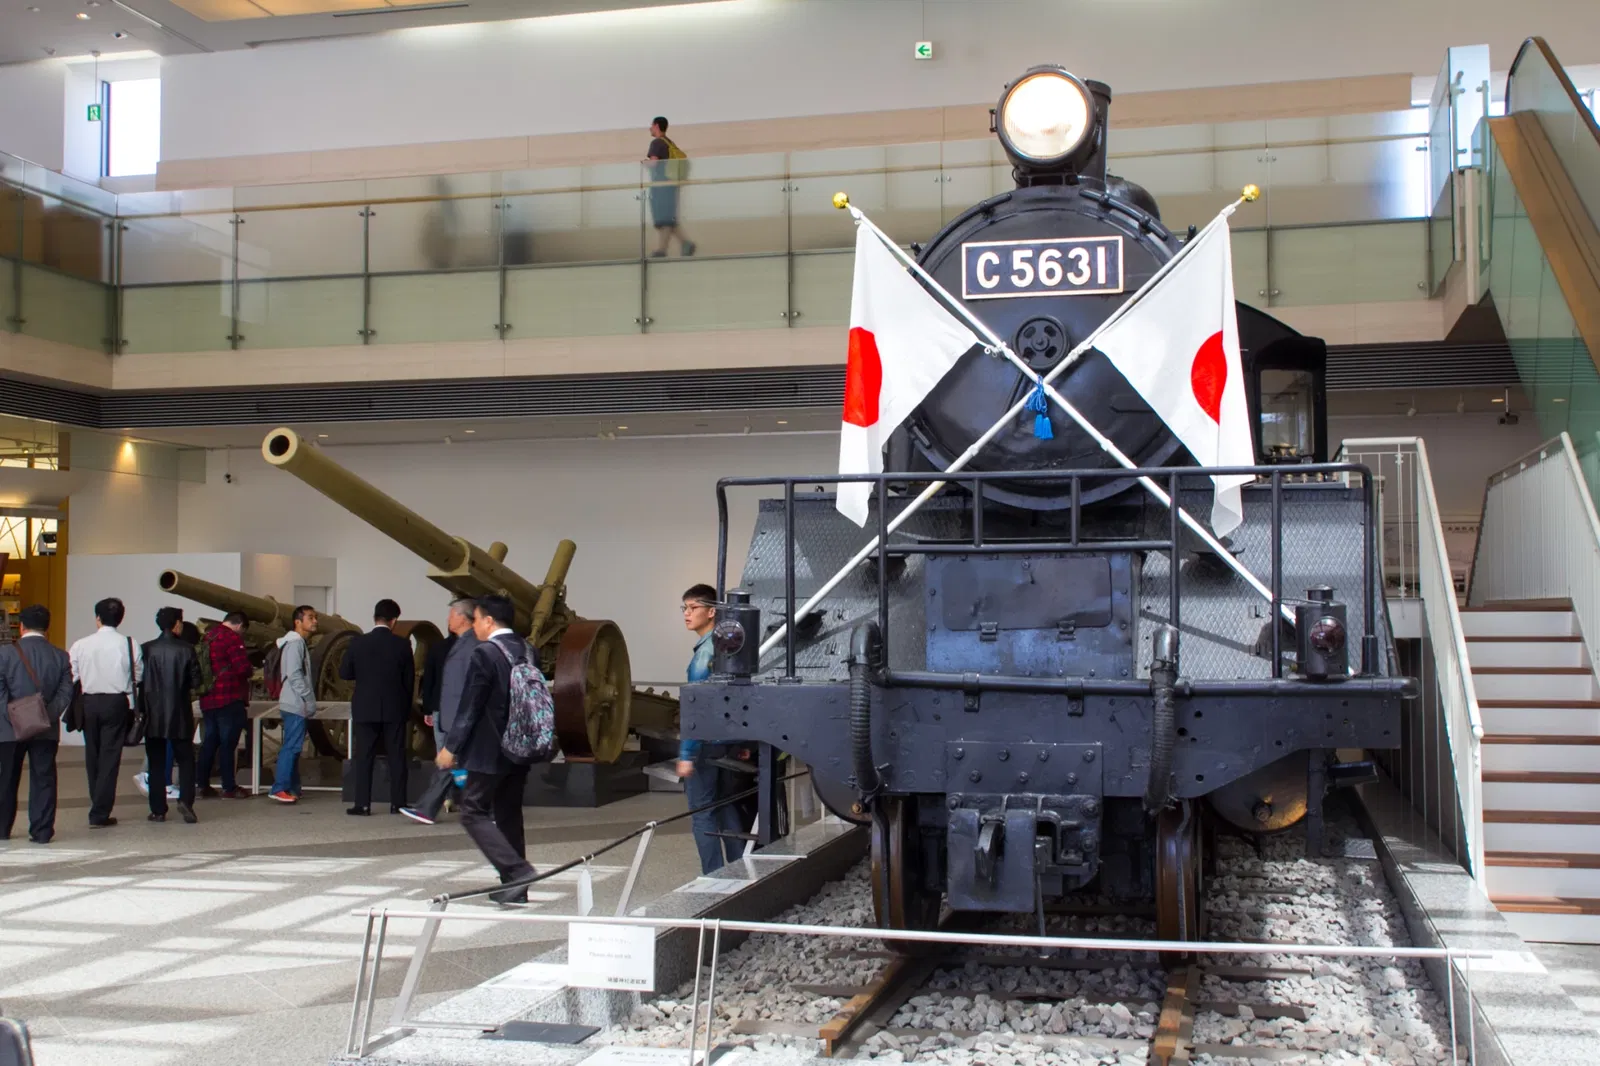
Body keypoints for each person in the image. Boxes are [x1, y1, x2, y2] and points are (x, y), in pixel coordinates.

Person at [437, 595, 534, 905]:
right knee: (508, 813)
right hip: (520, 745)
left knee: (473, 811)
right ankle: (515, 887)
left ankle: (518, 872)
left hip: (488, 748)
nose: (474, 625)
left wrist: (452, 747)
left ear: (489, 621)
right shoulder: (527, 649)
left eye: (477, 619)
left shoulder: (485, 653)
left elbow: (471, 705)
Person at [676, 584, 744, 874]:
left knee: (702, 813)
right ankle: (741, 869)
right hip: (726, 742)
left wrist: (686, 754)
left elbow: (698, 708)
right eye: (684, 609)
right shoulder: (727, 646)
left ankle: (714, 875)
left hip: (704, 745)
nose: (687, 614)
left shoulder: (704, 655)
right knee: (726, 806)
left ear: (712, 611)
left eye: (693, 608)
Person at [0, 605, 74, 844]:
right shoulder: (60, 656)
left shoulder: (5, 654)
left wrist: (14, 716)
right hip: (46, 728)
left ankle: (2, 828)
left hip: (9, 728)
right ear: (47, 628)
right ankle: (42, 831)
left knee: (6, 778)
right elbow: (66, 692)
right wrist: (46, 715)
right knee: (44, 777)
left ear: (21, 626)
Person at [68, 597, 143, 829]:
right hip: (116, 702)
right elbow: (138, 676)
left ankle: (97, 803)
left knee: (93, 755)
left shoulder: (81, 644)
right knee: (110, 758)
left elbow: (73, 674)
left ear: (97, 619)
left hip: (88, 702)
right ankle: (100, 812)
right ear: (120, 618)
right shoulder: (130, 644)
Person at [402, 598, 478, 826]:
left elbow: (470, 686)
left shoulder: (472, 645)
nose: (448, 619)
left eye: (452, 614)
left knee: (459, 764)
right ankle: (428, 808)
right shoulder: (461, 644)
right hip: (454, 715)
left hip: (462, 716)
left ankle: (431, 808)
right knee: (451, 764)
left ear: (463, 618)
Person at [340, 599, 416, 815]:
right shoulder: (402, 645)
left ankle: (362, 804)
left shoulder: (358, 643)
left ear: (375, 618)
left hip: (365, 707)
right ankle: (398, 804)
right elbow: (409, 680)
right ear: (394, 621)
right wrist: (404, 705)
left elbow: (344, 673)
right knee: (397, 756)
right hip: (394, 708)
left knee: (364, 757)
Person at [139, 606, 202, 824]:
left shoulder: (146, 649)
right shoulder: (187, 649)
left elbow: (139, 680)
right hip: (179, 712)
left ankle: (157, 809)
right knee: (185, 760)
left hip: (153, 713)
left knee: (155, 762)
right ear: (177, 624)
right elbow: (196, 682)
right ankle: (186, 801)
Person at [197, 612, 253, 799]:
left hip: (208, 698)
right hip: (228, 697)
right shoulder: (232, 638)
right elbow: (242, 668)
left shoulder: (208, 636)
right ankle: (229, 786)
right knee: (228, 744)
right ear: (240, 625)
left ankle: (202, 784)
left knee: (210, 742)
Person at [269, 606, 318, 804]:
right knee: (291, 747)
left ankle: (292, 787)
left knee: (294, 747)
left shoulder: (293, 643)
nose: (315, 621)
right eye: (310, 617)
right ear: (298, 621)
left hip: (292, 701)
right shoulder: (296, 644)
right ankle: (279, 787)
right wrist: (308, 697)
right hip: (295, 702)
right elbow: (295, 674)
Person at [645, 116, 696, 258]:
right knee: (668, 218)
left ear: (656, 126)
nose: (650, 128)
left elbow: (654, 163)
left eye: (651, 125)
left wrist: (643, 163)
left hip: (661, 186)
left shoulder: (656, 143)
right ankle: (683, 243)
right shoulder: (669, 143)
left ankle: (662, 249)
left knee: (664, 219)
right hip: (672, 186)